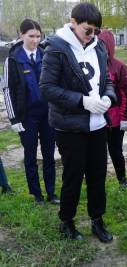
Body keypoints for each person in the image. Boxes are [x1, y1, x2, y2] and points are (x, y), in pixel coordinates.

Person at [40, 3, 116, 243]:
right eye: (88, 30)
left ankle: (97, 220)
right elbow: (47, 88)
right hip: (70, 126)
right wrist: (82, 101)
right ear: (73, 22)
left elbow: (107, 80)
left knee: (97, 175)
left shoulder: (99, 46)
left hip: (97, 125)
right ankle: (67, 221)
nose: (92, 35)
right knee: (73, 176)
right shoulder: (57, 49)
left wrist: (108, 97)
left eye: (96, 31)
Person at [3, 19, 57, 204]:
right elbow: (7, 89)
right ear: (21, 35)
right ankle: (37, 194)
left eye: (38, 36)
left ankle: (51, 192)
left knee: (49, 154)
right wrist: (14, 119)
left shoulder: (46, 55)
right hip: (27, 116)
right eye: (31, 36)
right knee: (31, 156)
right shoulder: (13, 60)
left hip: (48, 114)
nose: (35, 40)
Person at [98, 29, 127, 188]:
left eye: (103, 45)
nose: (99, 48)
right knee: (97, 154)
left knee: (116, 151)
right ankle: (98, 181)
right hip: (96, 118)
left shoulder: (120, 67)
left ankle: (122, 179)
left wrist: (125, 117)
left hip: (115, 119)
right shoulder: (92, 64)